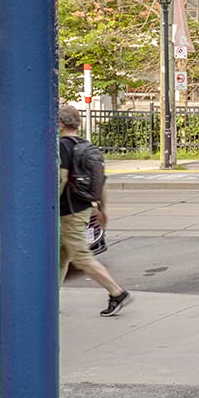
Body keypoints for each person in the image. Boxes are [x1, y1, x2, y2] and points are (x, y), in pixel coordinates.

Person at [58, 105, 132, 317]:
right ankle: (50, 301)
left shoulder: (64, 145)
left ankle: (117, 293)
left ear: (61, 124)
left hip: (68, 211)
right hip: (83, 208)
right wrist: (102, 209)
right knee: (61, 258)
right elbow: (101, 181)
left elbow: (62, 179)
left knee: (81, 258)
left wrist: (49, 205)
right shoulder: (86, 145)